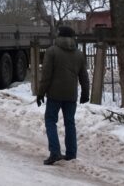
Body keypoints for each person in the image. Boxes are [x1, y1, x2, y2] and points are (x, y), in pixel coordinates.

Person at [36, 25, 90, 165]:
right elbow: (84, 77)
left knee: (50, 121)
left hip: (54, 94)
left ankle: (55, 152)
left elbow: (46, 75)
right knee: (70, 123)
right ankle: (71, 154)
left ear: (59, 36)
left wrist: (40, 93)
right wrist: (85, 93)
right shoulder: (79, 54)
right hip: (71, 95)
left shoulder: (52, 51)